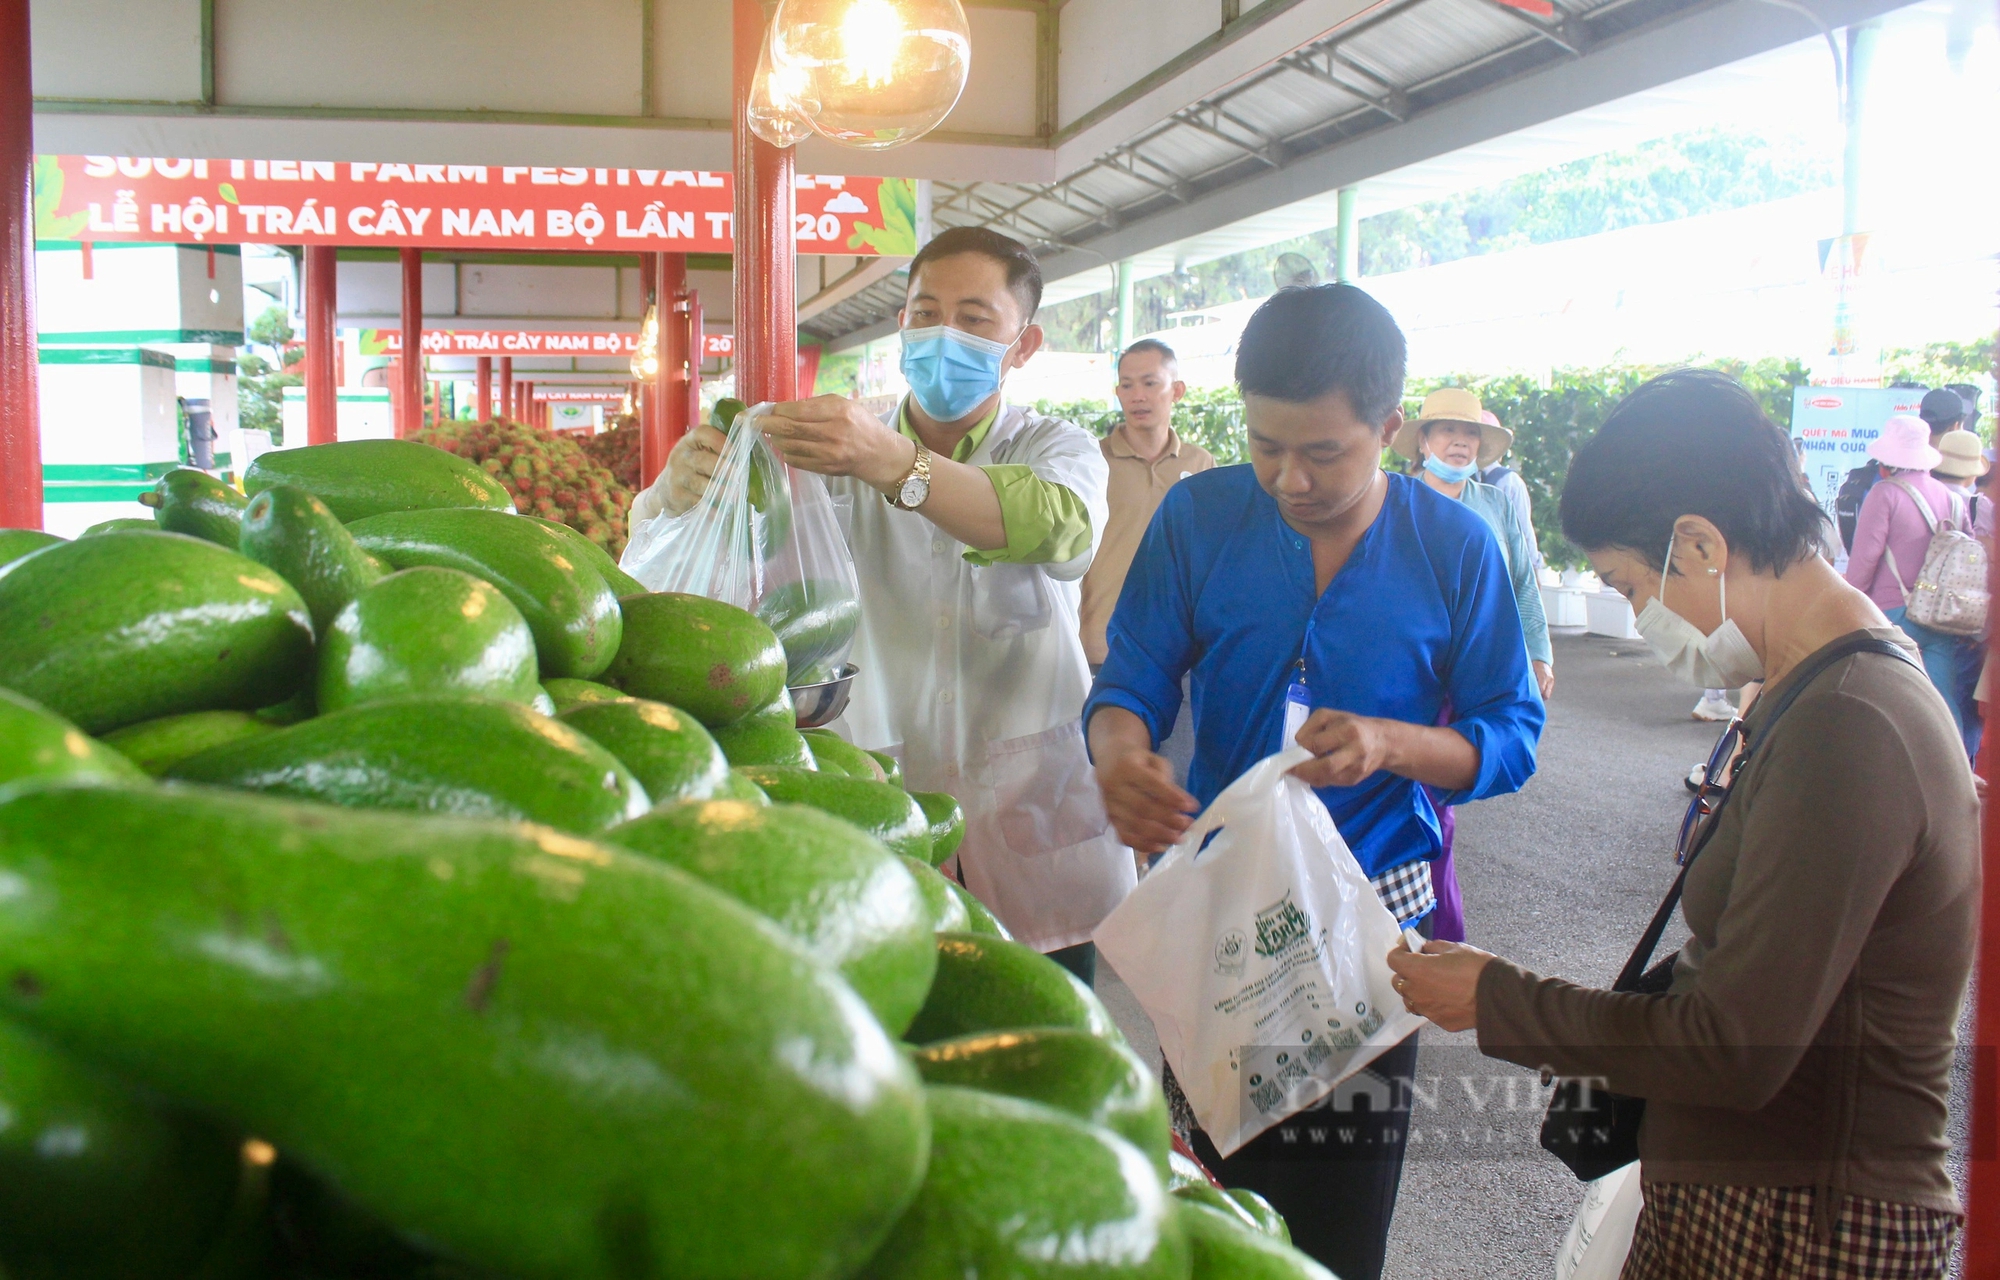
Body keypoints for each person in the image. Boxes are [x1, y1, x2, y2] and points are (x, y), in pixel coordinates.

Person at [1389, 369, 1976, 1280]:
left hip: (1803, 1226)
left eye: (1629, 585)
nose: (1638, 615)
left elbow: (1737, 1050)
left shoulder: (1850, 723)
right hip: (1753, 1198)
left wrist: (1495, 998)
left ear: (1699, 543)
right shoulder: (1814, 687)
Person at [1085, 284, 1544, 1280]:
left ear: (1387, 427)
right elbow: (1130, 677)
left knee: (1336, 1212)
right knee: (1207, 1192)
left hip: (1374, 920)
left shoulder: (1452, 546)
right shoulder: (1199, 516)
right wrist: (1120, 754)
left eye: (1323, 452)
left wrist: (1393, 744)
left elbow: (1510, 734)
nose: (1287, 477)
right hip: (1229, 901)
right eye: (1263, 444)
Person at [652, 226, 1125, 982]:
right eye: (925, 312)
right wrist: (681, 490)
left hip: (1032, 815)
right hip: (878, 798)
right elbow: (696, 548)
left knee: (1048, 1032)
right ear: (900, 324)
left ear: (1024, 343)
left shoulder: (1051, 446)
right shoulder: (832, 447)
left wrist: (894, 464)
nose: (944, 335)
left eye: (974, 320)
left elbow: (1062, 530)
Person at [1399, 388, 1554, 944]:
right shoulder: (1395, 501)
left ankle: (1432, 929)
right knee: (1427, 805)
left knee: (1437, 802)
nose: (1460, 443)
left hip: (1482, 670)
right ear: (1422, 441)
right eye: (1447, 433)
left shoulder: (1497, 504)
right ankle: (1433, 930)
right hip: (1416, 674)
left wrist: (1537, 652)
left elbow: (1522, 587)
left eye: (1470, 436)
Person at [1078, 338, 1217, 670]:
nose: (1137, 395)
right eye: (1126, 385)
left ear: (1177, 390)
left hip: (1182, 655)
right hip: (1102, 651)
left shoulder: (1200, 463)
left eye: (1150, 383)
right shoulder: (1091, 461)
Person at [1842, 414, 1967, 734]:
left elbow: (1863, 562)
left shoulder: (1885, 493)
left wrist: (1847, 608)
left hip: (1892, 614)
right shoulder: (1952, 499)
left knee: (1890, 705)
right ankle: (1954, 773)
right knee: (1941, 706)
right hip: (1941, 615)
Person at [1476, 408, 1543, 573]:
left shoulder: (1508, 481)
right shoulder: (1508, 481)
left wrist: (1532, 566)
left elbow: (1522, 531)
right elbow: (1524, 531)